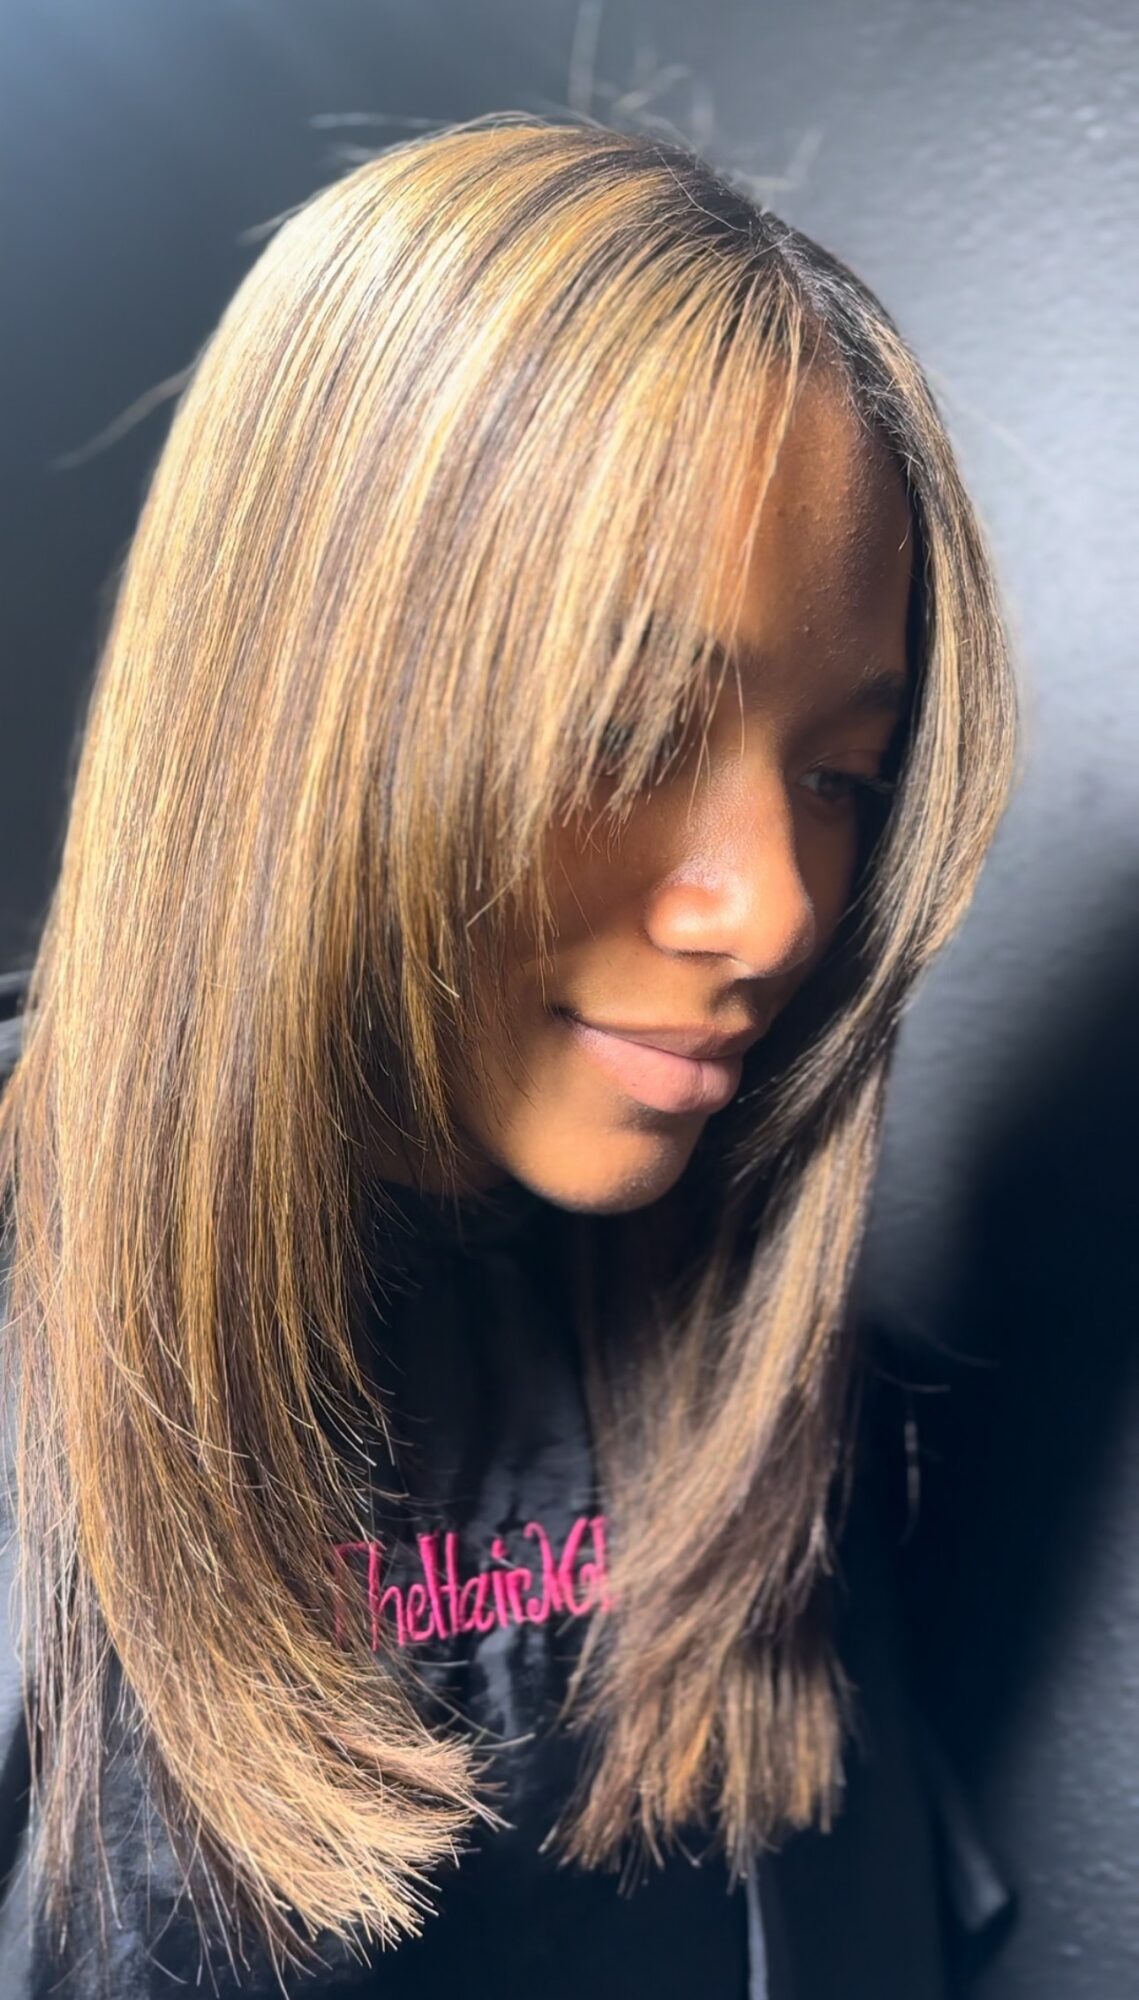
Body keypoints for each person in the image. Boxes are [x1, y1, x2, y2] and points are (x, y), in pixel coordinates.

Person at [0, 113, 1018, 1998]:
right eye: (631, 726)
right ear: (309, 686)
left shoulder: (736, 1336)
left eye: (842, 779)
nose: (777, 912)